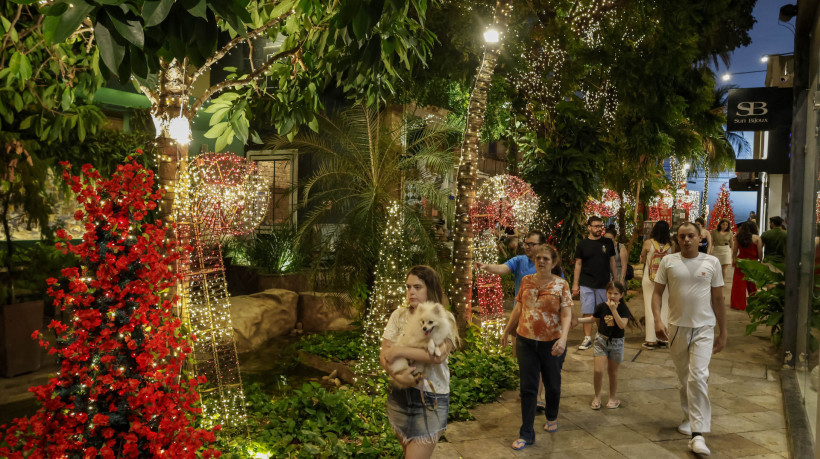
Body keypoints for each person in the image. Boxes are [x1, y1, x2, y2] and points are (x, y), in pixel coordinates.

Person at [652, 222, 726, 455]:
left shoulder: (711, 262)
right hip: (676, 328)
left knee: (698, 377)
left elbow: (718, 300)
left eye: (691, 236)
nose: (686, 240)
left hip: (704, 327)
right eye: (682, 236)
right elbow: (657, 293)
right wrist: (657, 319)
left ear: (700, 238)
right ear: (677, 239)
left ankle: (698, 434)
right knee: (684, 377)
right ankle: (689, 417)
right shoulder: (668, 261)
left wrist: (723, 332)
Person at [500, 244, 572, 450]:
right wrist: (507, 330)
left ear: (553, 262)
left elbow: (566, 314)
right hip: (526, 340)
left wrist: (564, 338)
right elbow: (519, 308)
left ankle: (551, 416)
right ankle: (526, 433)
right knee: (528, 388)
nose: (541, 261)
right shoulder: (526, 281)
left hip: (552, 343)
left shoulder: (561, 285)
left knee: (552, 384)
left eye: (546, 259)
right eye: (538, 258)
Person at [380, 266, 456, 458]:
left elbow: (438, 356)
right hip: (399, 396)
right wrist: (397, 375)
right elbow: (384, 355)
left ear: (430, 288)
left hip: (430, 399)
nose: (411, 292)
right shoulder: (398, 316)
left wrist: (399, 350)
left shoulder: (444, 318)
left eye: (417, 287)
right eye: (408, 287)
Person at [576, 281, 635, 410]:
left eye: (616, 293)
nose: (612, 296)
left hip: (616, 343)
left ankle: (612, 398)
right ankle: (597, 397)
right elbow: (593, 319)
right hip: (601, 341)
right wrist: (577, 320)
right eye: (609, 293)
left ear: (621, 295)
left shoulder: (623, 309)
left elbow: (622, 325)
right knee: (598, 371)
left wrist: (614, 310)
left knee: (612, 372)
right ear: (605, 293)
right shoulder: (601, 306)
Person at [572, 216, 617, 350]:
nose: (599, 229)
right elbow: (578, 264)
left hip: (604, 283)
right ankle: (587, 338)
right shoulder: (582, 244)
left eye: (600, 226)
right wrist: (575, 284)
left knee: (604, 311)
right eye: (596, 226)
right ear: (589, 227)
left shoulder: (607, 242)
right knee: (587, 311)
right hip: (586, 282)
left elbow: (612, 262)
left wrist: (616, 280)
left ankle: (603, 337)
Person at [476, 230, 546, 297]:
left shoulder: (549, 264)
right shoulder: (519, 260)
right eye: (526, 244)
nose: (527, 247)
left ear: (542, 245)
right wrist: (486, 266)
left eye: (532, 244)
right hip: (520, 308)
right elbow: (502, 268)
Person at [639, 220, 671, 350]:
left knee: (649, 307)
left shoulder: (648, 243)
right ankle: (663, 338)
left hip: (649, 279)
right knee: (664, 308)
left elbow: (642, 259)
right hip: (665, 280)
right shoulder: (671, 246)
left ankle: (651, 340)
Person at [730, 222, 762, 310]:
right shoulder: (757, 238)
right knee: (752, 284)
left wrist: (734, 260)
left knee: (738, 284)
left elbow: (735, 251)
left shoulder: (739, 237)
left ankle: (738, 304)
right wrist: (760, 261)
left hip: (741, 262)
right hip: (752, 263)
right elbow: (760, 253)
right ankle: (754, 303)